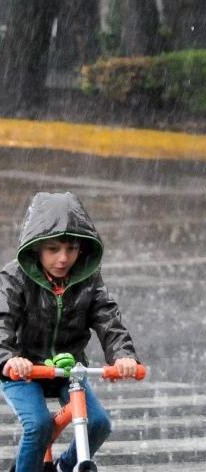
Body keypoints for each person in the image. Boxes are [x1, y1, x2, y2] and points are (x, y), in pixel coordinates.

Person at [0, 191, 140, 472]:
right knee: (38, 425)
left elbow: (108, 318)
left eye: (72, 249)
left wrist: (123, 356)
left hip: (67, 369)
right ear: (36, 248)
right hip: (23, 371)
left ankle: (66, 466)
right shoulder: (14, 277)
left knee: (98, 423)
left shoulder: (88, 278)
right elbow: (1, 321)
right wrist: (9, 359)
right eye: (53, 249)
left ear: (82, 249)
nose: (63, 258)